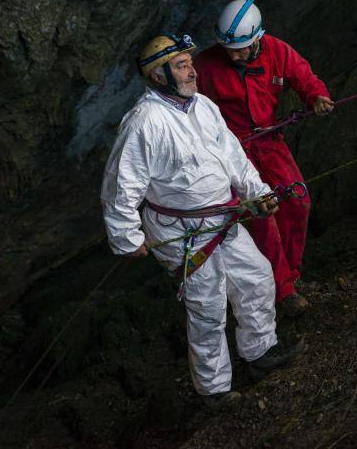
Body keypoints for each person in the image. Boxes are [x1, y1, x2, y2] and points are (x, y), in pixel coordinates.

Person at [101, 33, 305, 407]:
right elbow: (121, 185)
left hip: (224, 218)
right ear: (159, 76)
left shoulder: (202, 106)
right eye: (181, 66)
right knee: (208, 308)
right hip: (183, 233)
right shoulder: (144, 122)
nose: (192, 70)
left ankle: (260, 353)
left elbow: (232, 155)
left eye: (190, 63)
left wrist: (256, 193)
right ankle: (214, 391)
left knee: (256, 277)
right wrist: (127, 238)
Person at [194, 0, 335, 318]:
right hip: (233, 153)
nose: (235, 54)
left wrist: (316, 96)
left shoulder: (277, 51)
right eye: (229, 48)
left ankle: (291, 277)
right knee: (262, 216)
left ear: (258, 36)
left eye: (242, 48)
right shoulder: (205, 67)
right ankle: (281, 291)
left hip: (269, 141)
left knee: (297, 203)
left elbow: (303, 76)